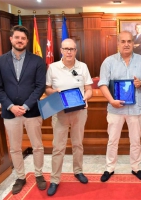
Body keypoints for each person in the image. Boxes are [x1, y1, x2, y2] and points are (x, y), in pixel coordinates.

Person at [0, 25, 47, 194]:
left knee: (37, 146)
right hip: (10, 113)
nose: (20, 41)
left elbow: (40, 87)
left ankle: (38, 174)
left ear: (27, 41)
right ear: (11, 39)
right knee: (15, 148)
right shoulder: (0, 61)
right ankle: (21, 177)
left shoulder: (37, 61)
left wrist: (25, 106)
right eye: (17, 37)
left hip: (32, 111)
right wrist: (11, 106)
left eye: (23, 38)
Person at [98, 30, 141, 182]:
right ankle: (109, 168)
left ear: (133, 43)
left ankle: (136, 167)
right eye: (123, 41)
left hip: (135, 110)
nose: (126, 44)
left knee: (135, 140)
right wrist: (111, 100)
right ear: (118, 44)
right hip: (115, 109)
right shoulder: (108, 61)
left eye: (129, 41)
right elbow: (102, 84)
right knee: (112, 140)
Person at [45, 38, 93, 196]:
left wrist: (86, 97)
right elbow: (47, 89)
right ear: (61, 50)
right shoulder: (53, 67)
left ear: (76, 51)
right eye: (66, 49)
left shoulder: (83, 66)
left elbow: (88, 88)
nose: (69, 52)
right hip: (60, 112)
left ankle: (78, 171)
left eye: (72, 49)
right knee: (58, 147)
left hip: (79, 111)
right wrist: (54, 92)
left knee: (78, 144)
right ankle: (54, 179)